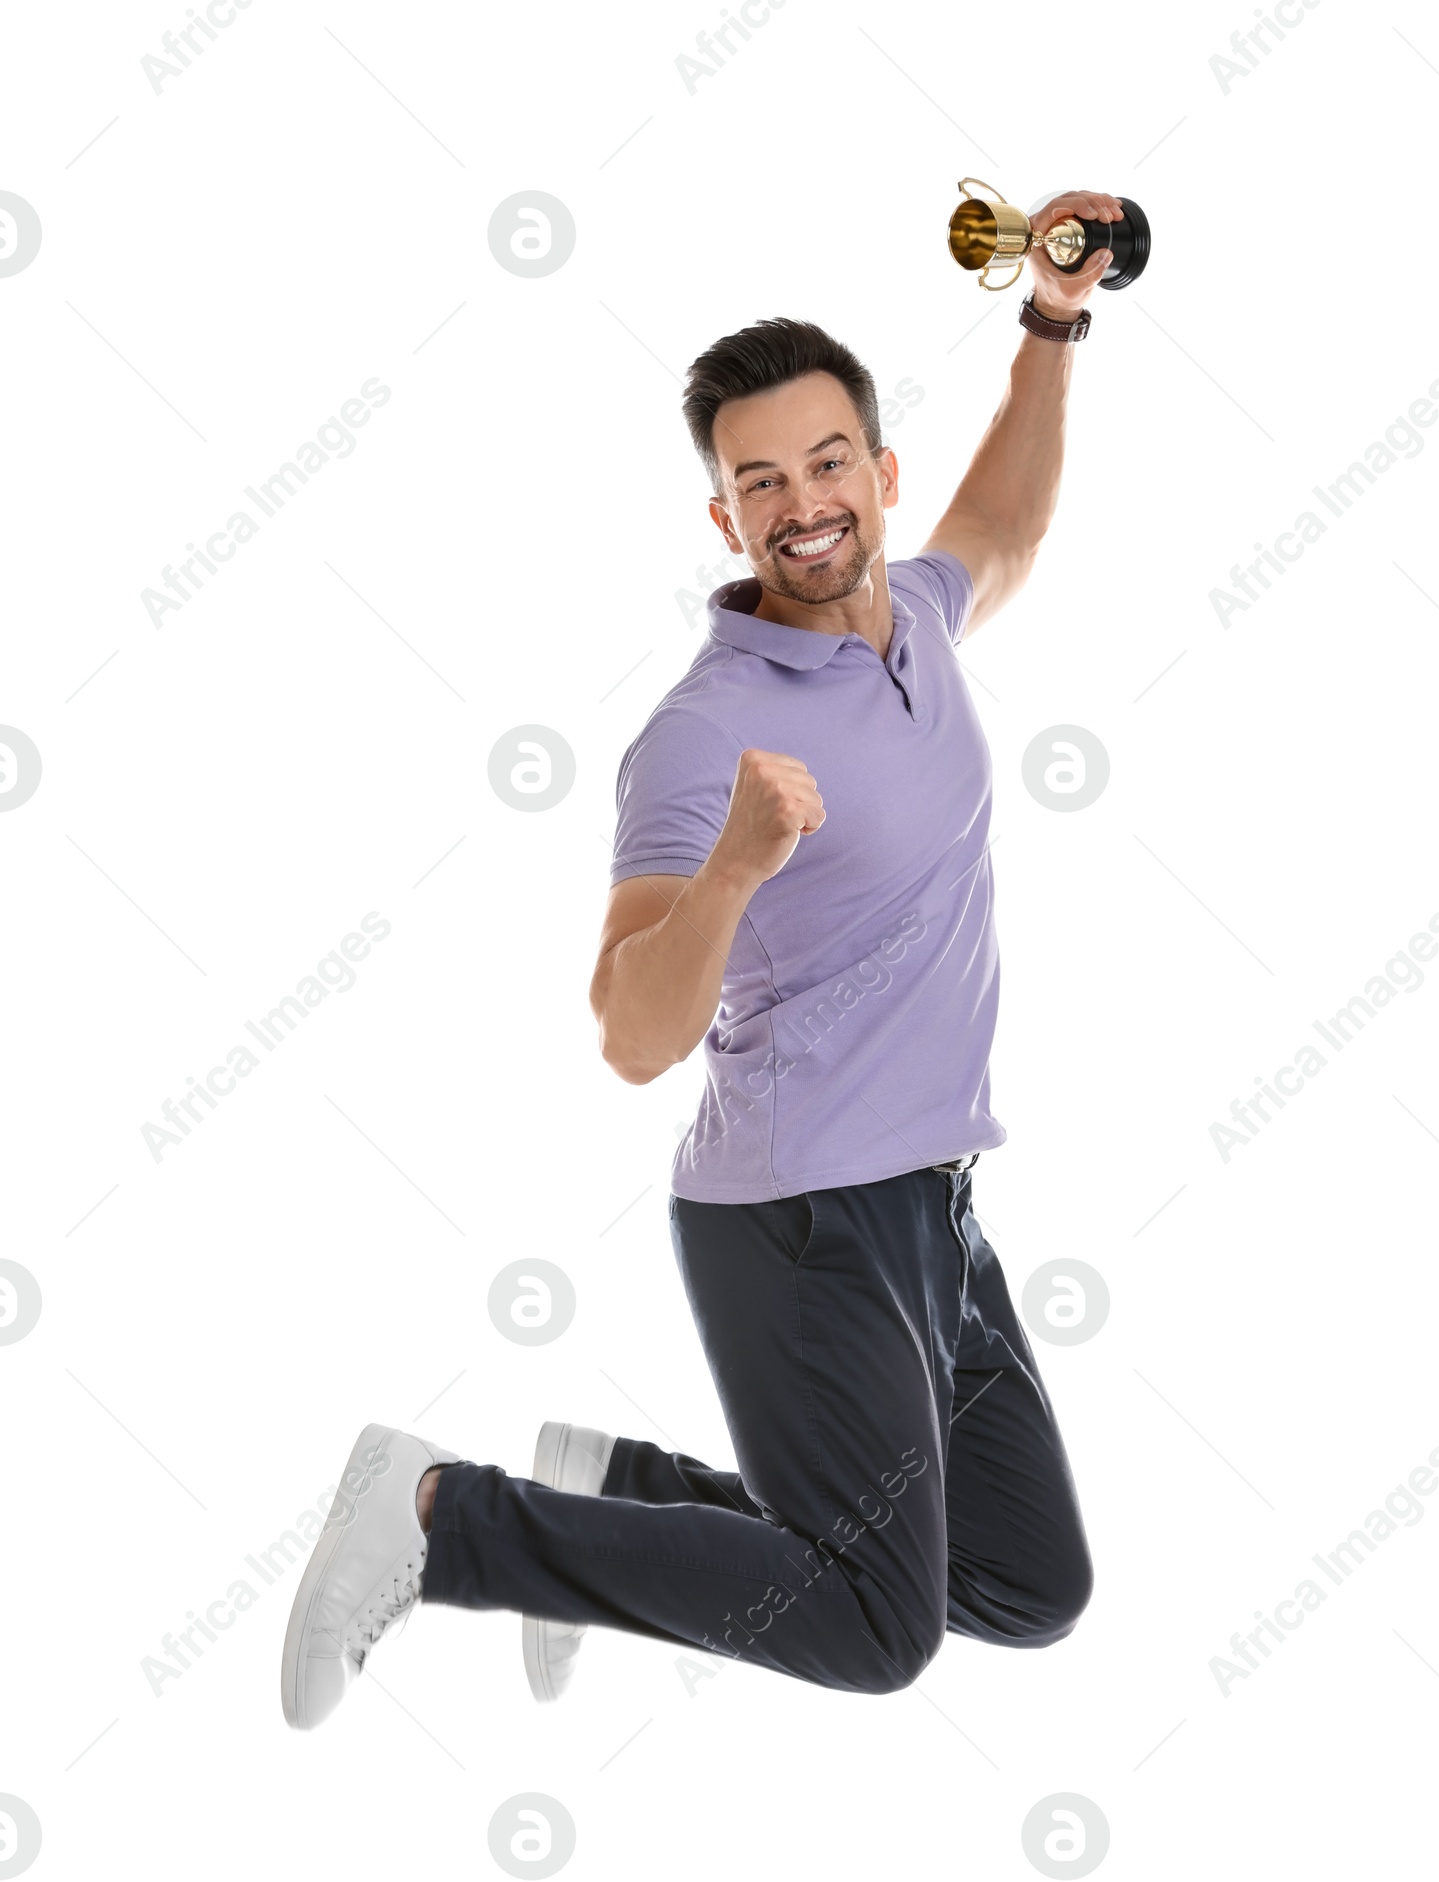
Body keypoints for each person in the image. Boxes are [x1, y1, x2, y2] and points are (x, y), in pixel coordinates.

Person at [280, 189, 1121, 1732]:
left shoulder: (918, 619)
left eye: (825, 464)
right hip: (796, 1225)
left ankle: (628, 1490)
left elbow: (1005, 525)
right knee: (875, 1627)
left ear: (878, 472)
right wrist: (736, 863)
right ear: (722, 521)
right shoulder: (702, 732)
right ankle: (436, 1517)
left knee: (1023, 1579)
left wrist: (1054, 324)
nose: (802, 504)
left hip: (935, 1204)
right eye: (759, 484)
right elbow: (629, 1032)